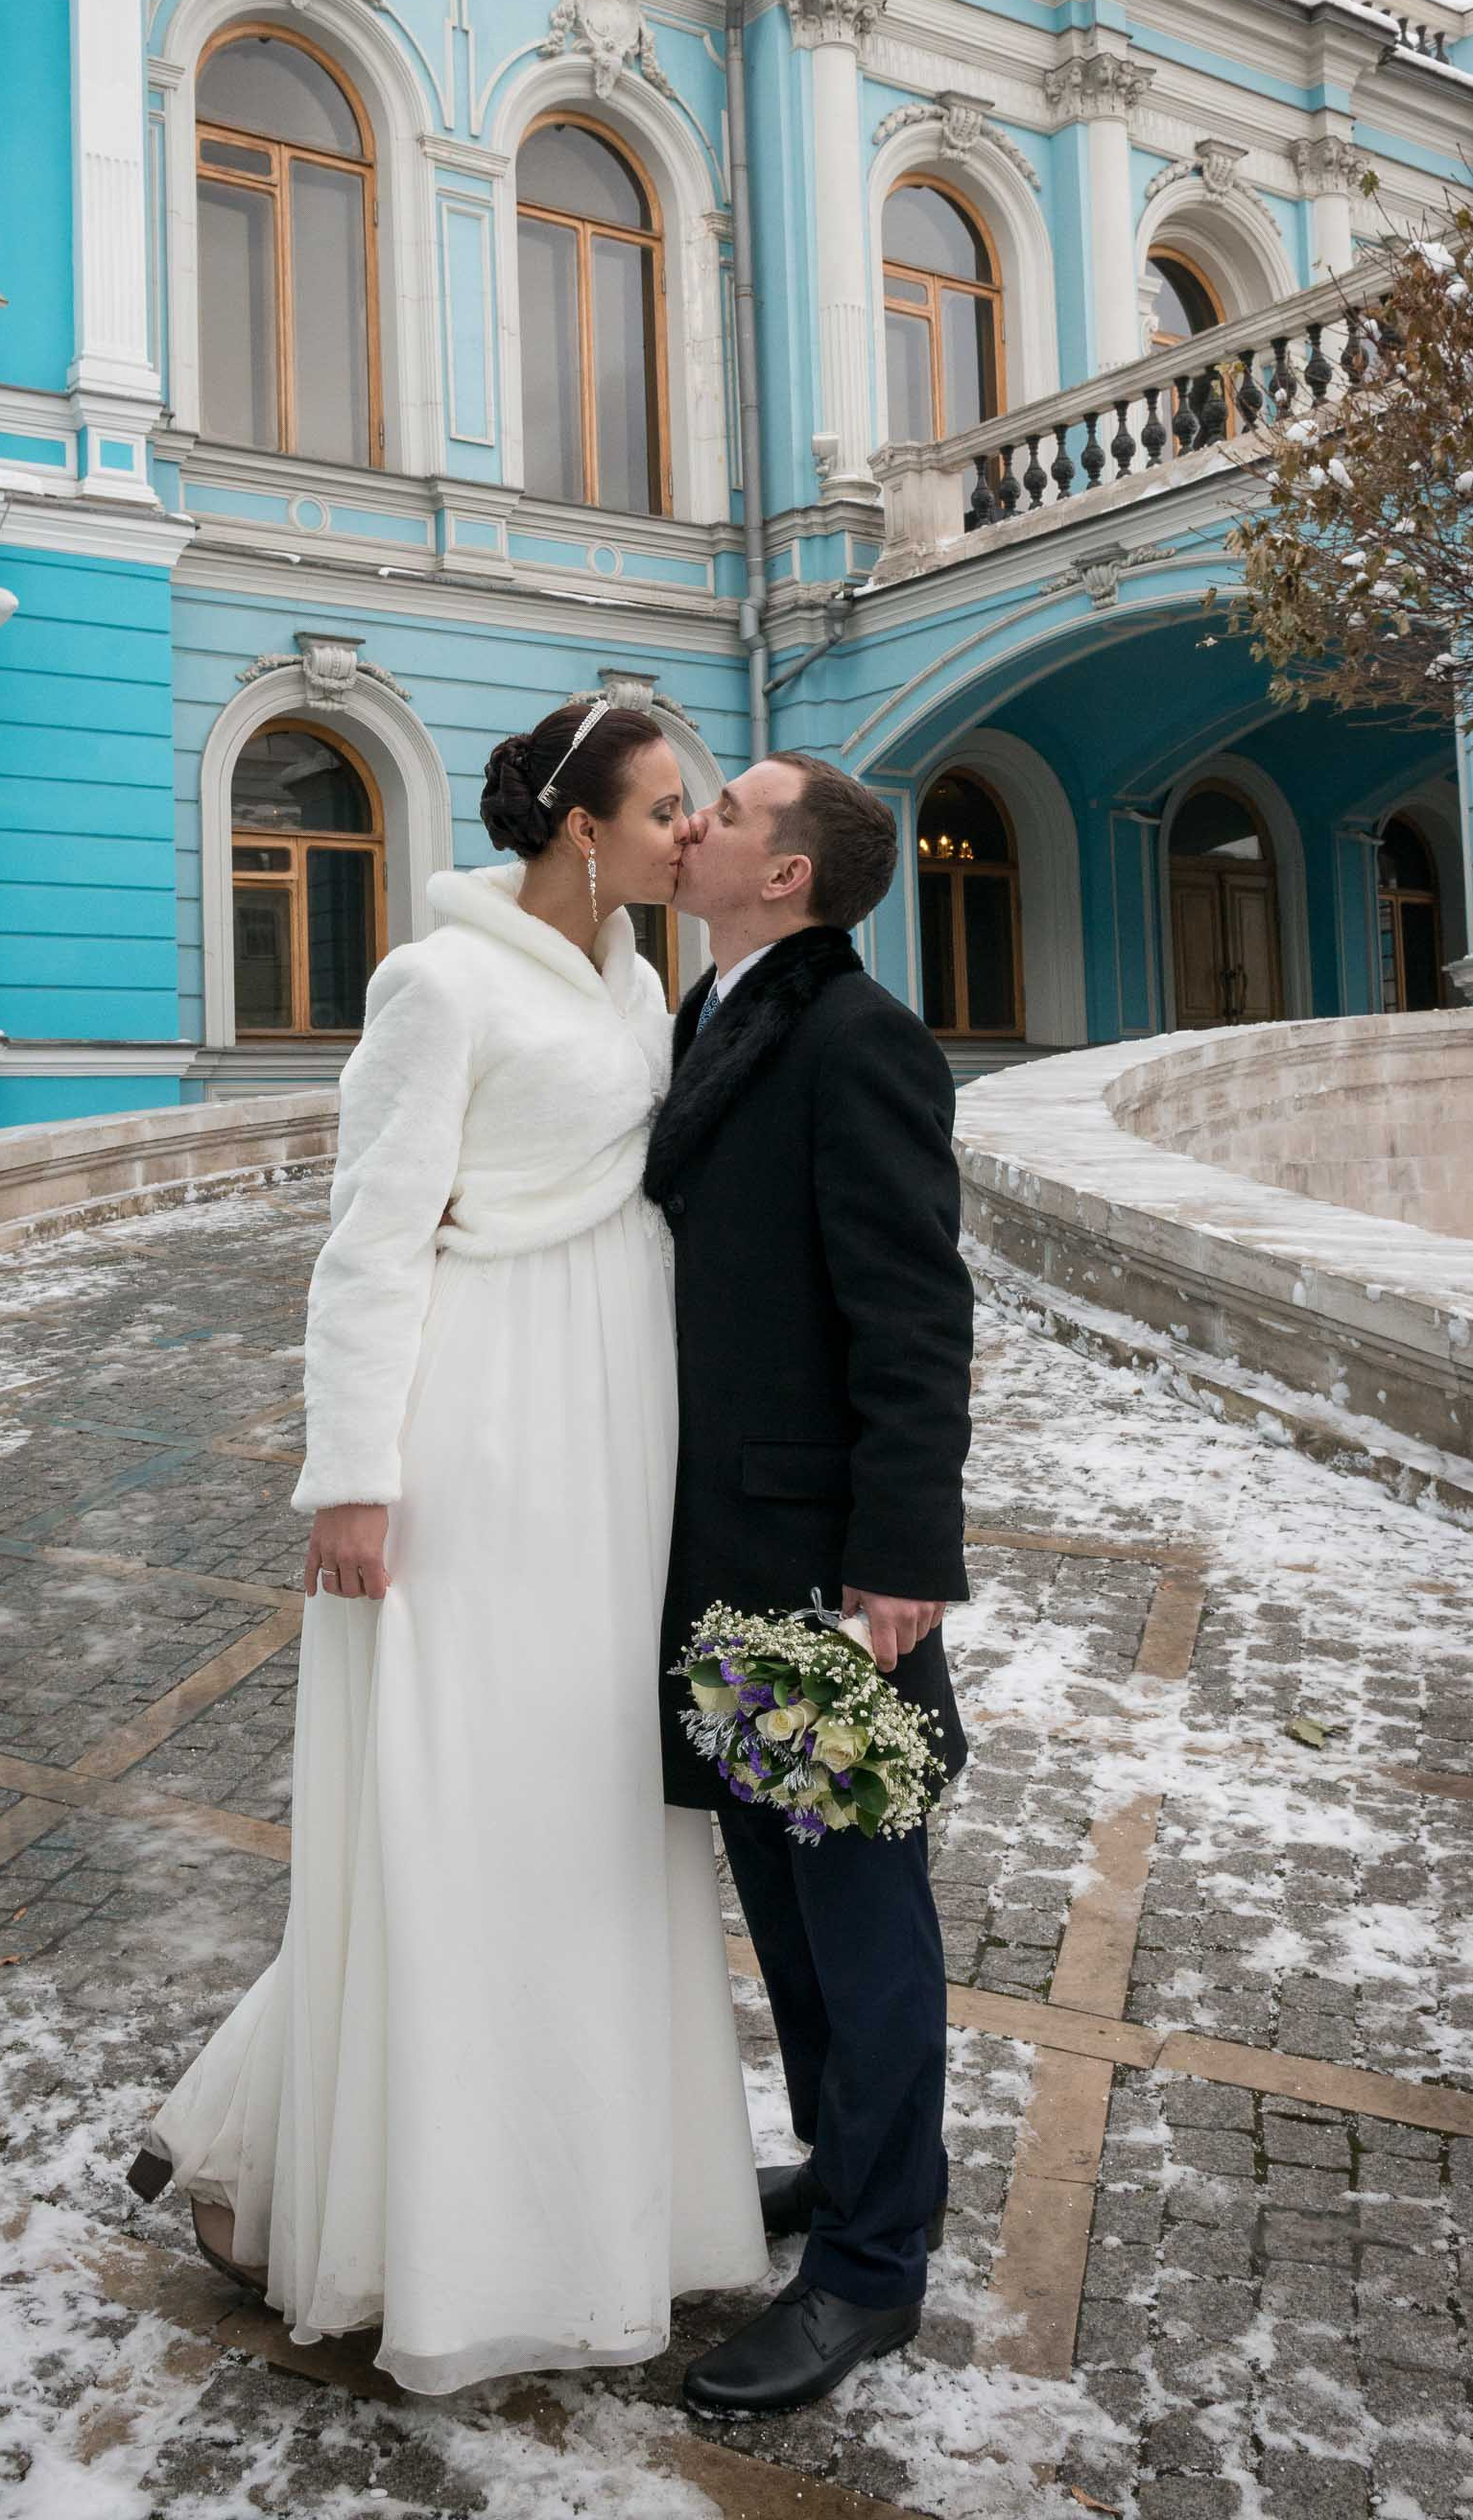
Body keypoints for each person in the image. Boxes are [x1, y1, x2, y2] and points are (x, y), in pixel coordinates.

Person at [126, 699, 766, 2394]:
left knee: (592, 1809)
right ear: (581, 830)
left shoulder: (639, 982)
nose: (686, 834)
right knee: (463, 1808)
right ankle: (439, 2225)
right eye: (664, 811)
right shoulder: (439, 984)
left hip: (620, 1438)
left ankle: (601, 2198)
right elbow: (369, 1240)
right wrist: (353, 1477)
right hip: (481, 1433)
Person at [648, 752, 975, 2418]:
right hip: (720, 1549)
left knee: (861, 1915)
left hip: (824, 1568)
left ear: (787, 875)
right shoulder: (711, 1014)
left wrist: (902, 1558)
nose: (690, 822)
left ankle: (871, 2271)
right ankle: (842, 2167)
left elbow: (917, 1312)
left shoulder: (858, 1036)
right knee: (784, 1912)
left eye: (725, 810)